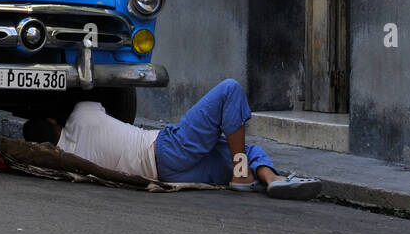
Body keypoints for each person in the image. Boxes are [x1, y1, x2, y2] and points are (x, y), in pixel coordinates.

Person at [22, 78, 321, 200]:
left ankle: (272, 180)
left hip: (167, 173)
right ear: (52, 122)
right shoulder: (82, 113)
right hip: (164, 149)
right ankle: (244, 174)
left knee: (241, 150)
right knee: (229, 90)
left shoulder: (67, 161)